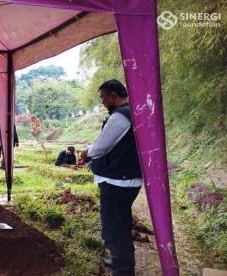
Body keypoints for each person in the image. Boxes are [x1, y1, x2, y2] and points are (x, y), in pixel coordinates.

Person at [80, 79, 142, 276]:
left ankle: (123, 270)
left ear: (113, 95)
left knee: (114, 229)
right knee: (121, 223)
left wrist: (86, 151)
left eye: (103, 97)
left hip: (117, 181)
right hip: (126, 179)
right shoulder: (133, 111)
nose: (103, 102)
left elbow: (101, 147)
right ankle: (120, 262)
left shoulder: (120, 116)